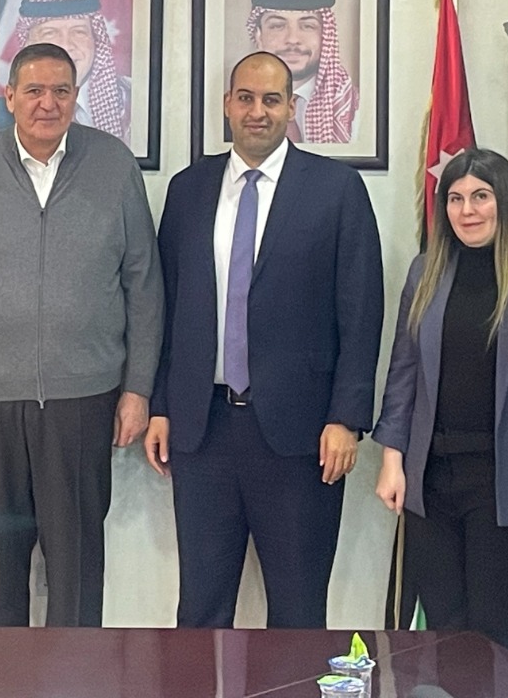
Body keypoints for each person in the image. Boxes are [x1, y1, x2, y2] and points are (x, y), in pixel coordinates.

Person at [146, 51, 383, 627]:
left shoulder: (336, 189)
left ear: (292, 108)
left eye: (272, 100)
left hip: (303, 436)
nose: (258, 111)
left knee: (298, 612)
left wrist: (346, 418)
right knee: (200, 609)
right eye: (246, 98)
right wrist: (161, 406)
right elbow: (168, 307)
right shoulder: (188, 189)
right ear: (227, 105)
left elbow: (361, 313)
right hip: (203, 430)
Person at [0, 41, 163, 627]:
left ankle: (77, 674)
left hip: (83, 399)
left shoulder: (113, 166)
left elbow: (144, 285)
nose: (47, 103)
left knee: (77, 565)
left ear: (76, 97)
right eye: (33, 90)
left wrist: (137, 389)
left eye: (61, 91)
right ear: (9, 97)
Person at [373, 147, 508, 669]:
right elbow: (404, 371)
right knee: (444, 626)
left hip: (505, 479)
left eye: (481, 196)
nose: (467, 210)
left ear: (507, 202)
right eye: (455, 198)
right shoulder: (426, 272)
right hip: (432, 476)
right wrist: (392, 459)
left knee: (497, 627)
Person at [6, 0, 131, 143]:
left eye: (78, 32)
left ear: (96, 39)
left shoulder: (133, 100)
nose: (65, 46)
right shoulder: (1, 112)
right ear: (29, 44)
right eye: (50, 33)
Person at [245, 0, 357, 144]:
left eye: (307, 26)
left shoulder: (355, 111)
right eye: (277, 26)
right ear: (258, 36)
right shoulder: (235, 109)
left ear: (325, 36)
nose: (292, 39)